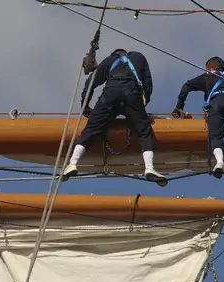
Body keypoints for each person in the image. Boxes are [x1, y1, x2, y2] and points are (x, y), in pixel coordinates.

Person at [61, 49, 167, 184]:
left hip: (110, 95)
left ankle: (72, 164)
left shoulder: (109, 61)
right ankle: (149, 168)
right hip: (132, 95)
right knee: (144, 131)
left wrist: (85, 106)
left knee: (90, 130)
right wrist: (141, 108)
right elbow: (148, 85)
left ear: (114, 54)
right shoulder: (139, 57)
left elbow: (90, 83)